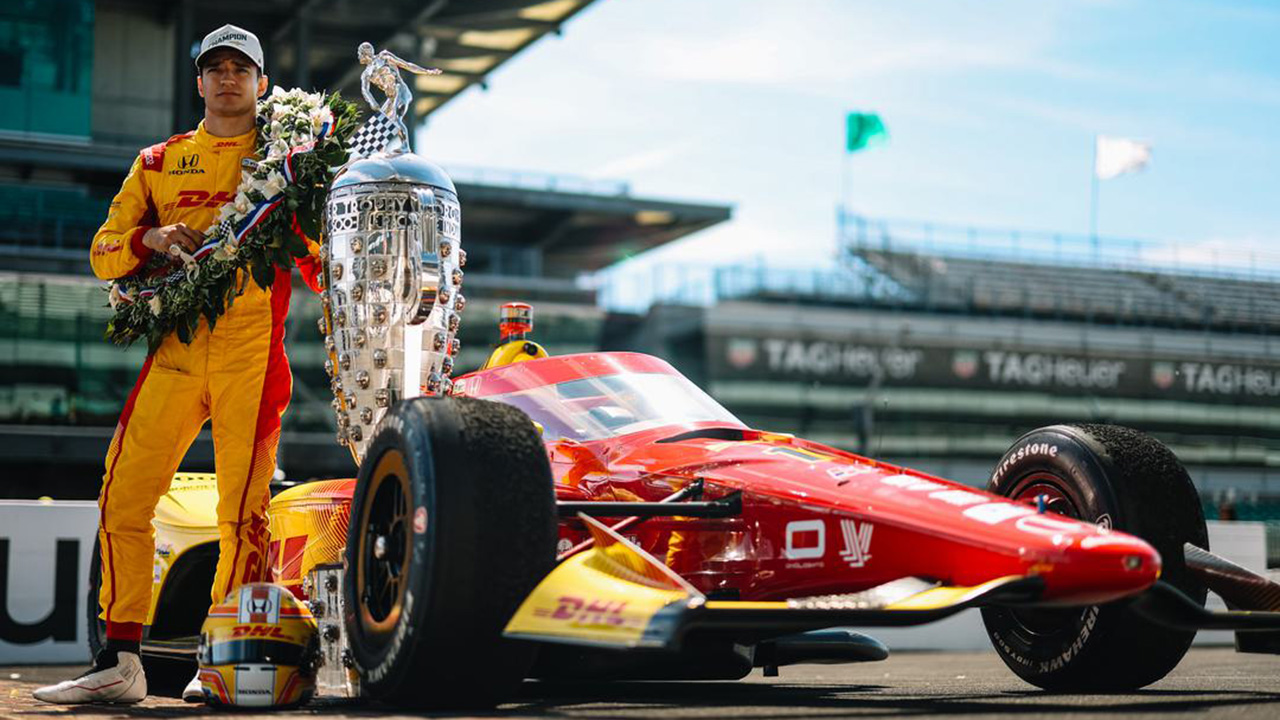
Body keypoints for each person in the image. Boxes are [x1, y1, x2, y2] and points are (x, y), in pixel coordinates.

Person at [34, 24, 321, 705]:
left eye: (240, 68)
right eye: (215, 67)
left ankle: (219, 657)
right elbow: (103, 250)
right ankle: (121, 659)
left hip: (252, 352)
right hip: (176, 352)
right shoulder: (159, 160)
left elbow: (317, 262)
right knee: (123, 495)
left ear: (262, 84)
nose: (227, 79)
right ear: (198, 81)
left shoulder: (289, 161)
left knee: (241, 512)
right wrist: (150, 236)